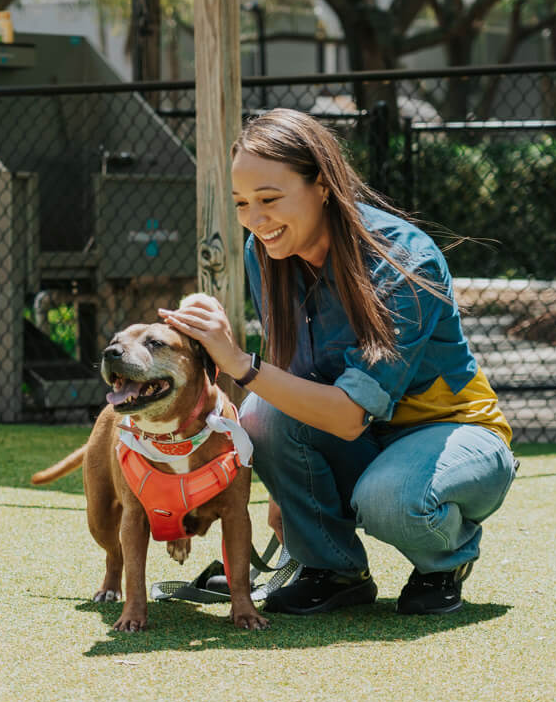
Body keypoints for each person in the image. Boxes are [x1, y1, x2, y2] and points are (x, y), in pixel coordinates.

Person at [159, 108, 517, 616]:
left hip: (453, 433)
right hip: (367, 437)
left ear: (322, 185)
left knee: (389, 497)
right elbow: (288, 381)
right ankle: (333, 570)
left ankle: (446, 560)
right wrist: (286, 493)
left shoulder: (403, 261)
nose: (255, 220)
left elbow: (348, 415)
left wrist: (238, 360)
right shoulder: (265, 253)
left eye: (269, 199)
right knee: (260, 411)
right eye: (241, 204)